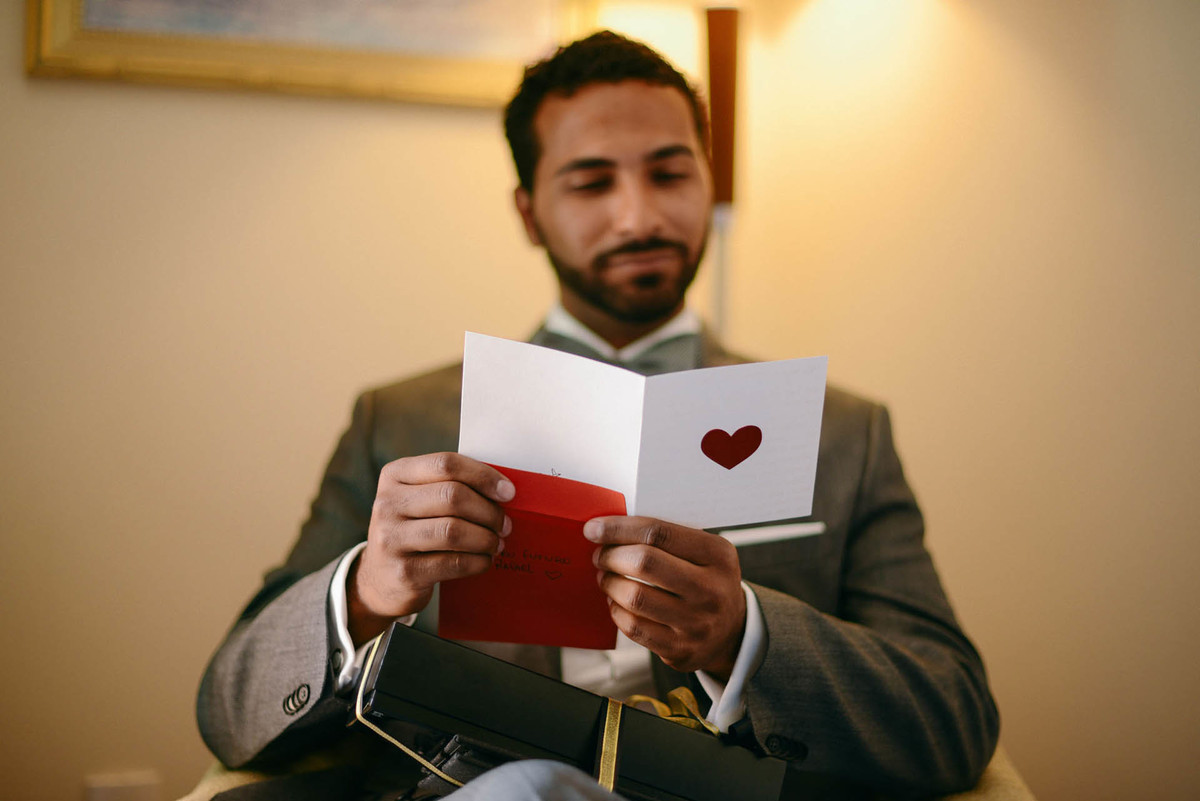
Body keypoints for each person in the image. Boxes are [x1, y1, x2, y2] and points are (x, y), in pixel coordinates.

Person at [196, 31, 999, 801]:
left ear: (708, 181)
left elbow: (955, 719)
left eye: (669, 174)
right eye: (590, 183)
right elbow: (228, 705)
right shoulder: (397, 423)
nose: (638, 217)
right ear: (527, 211)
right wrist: (365, 590)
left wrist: (743, 636)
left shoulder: (840, 431)